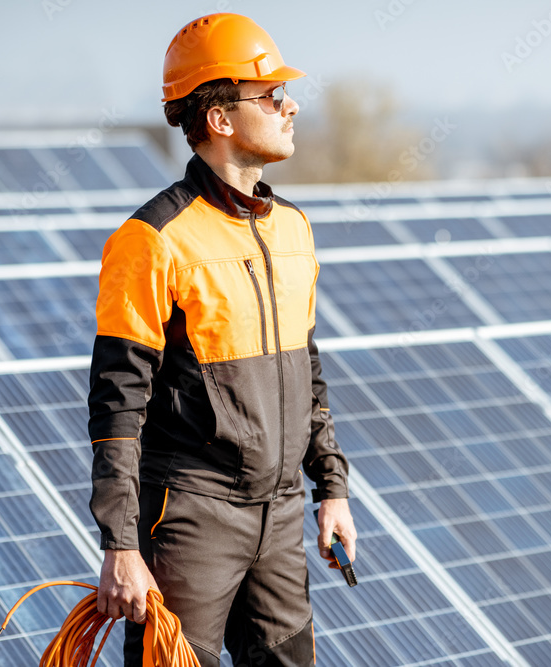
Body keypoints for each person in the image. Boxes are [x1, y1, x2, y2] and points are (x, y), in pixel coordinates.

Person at [86, 13, 357, 667]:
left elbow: (307, 372)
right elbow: (117, 405)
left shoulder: (293, 228)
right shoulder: (151, 240)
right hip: (192, 518)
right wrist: (122, 544)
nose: (290, 104)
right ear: (220, 119)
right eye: (270, 95)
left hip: (281, 513)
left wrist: (332, 486)